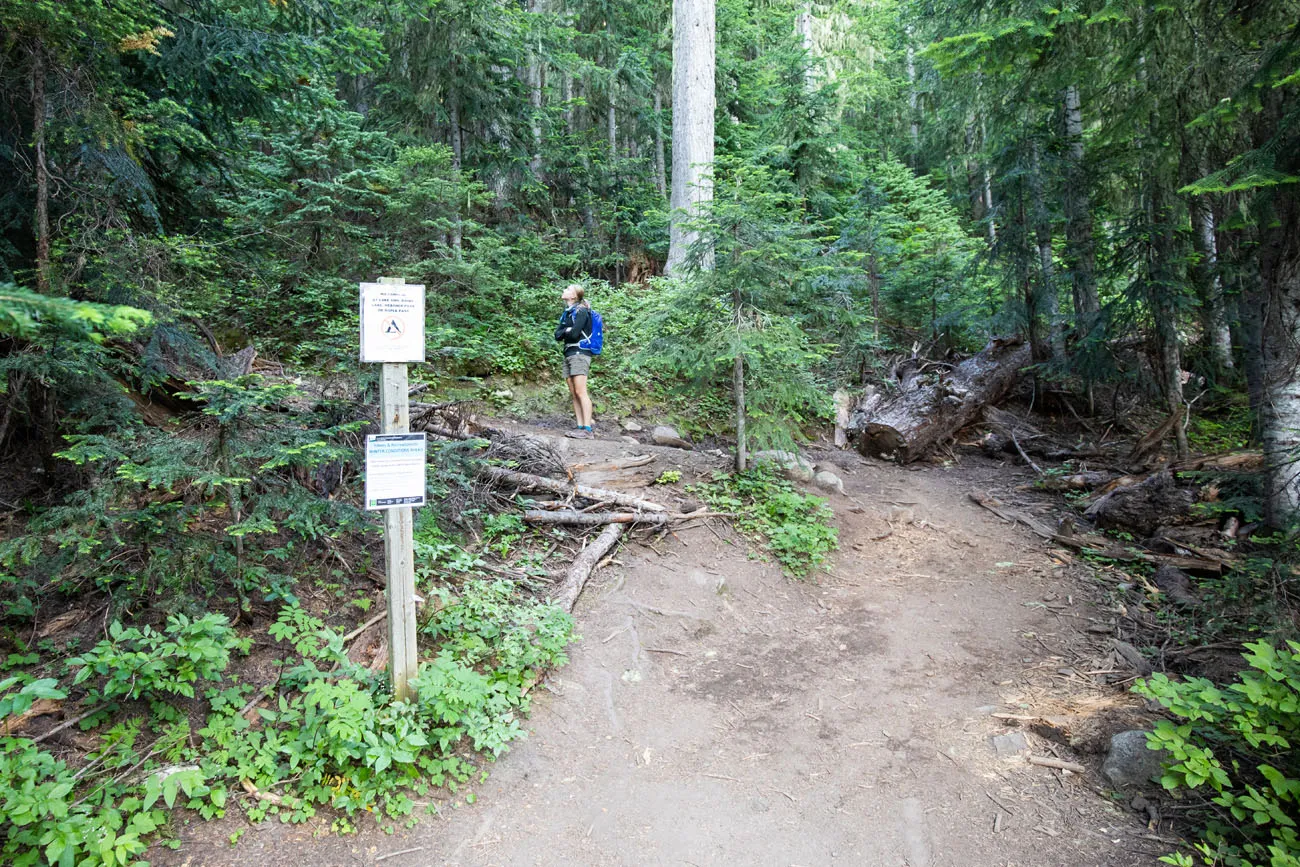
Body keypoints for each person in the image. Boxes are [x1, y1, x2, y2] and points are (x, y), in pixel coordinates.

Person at [555, 283, 595, 438]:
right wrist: (567, 330)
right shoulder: (568, 313)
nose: (564, 290)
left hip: (580, 353)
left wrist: (566, 331)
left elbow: (574, 334)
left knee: (581, 391)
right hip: (569, 353)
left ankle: (587, 429)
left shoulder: (582, 311)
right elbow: (557, 335)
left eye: (568, 289)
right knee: (573, 393)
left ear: (574, 296)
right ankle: (580, 427)